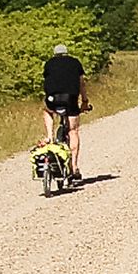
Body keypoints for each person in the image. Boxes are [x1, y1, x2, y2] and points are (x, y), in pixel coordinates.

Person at [41, 43, 86, 179]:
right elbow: (81, 83)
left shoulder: (49, 64)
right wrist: (85, 101)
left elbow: (47, 81)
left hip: (53, 99)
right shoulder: (75, 63)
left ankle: (49, 136)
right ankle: (74, 167)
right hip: (70, 99)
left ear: (55, 54)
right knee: (73, 131)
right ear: (67, 53)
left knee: (47, 110)